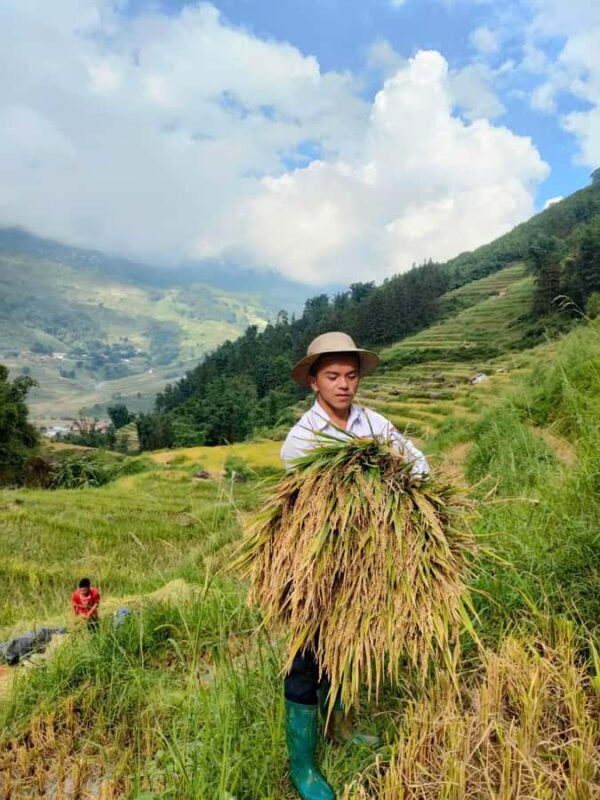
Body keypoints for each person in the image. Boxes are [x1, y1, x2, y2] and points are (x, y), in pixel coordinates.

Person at [280, 331, 429, 800]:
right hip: (318, 561)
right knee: (306, 657)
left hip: (367, 557)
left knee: (349, 640)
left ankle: (340, 728)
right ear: (313, 382)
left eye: (351, 375)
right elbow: (318, 504)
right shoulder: (302, 439)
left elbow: (416, 463)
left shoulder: (373, 421)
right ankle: (302, 768)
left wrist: (409, 483)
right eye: (332, 376)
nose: (344, 385)